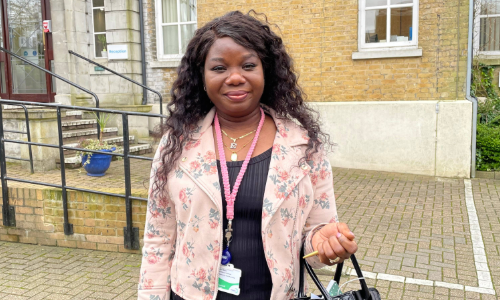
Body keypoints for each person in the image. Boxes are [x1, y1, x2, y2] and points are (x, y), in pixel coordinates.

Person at [138, 10, 358, 300]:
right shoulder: (176, 144)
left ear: (266, 71)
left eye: (248, 65)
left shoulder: (302, 146)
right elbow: (159, 237)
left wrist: (325, 243)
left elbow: (315, 236)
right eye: (219, 68)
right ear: (201, 76)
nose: (235, 77)